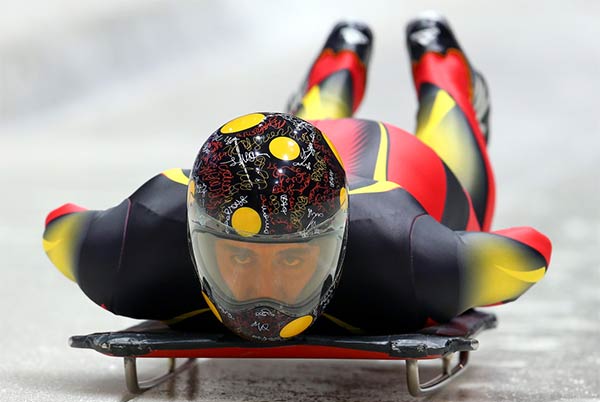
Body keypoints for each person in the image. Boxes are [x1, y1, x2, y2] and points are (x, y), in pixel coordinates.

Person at [43, 12, 552, 342]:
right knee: (313, 123)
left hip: (412, 168)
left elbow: (524, 255)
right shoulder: (136, 241)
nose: (267, 290)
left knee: (456, 160)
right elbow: (528, 253)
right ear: (192, 239)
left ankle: (442, 72)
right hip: (319, 151)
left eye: (291, 259)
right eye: (239, 257)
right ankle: (342, 68)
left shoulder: (411, 256)